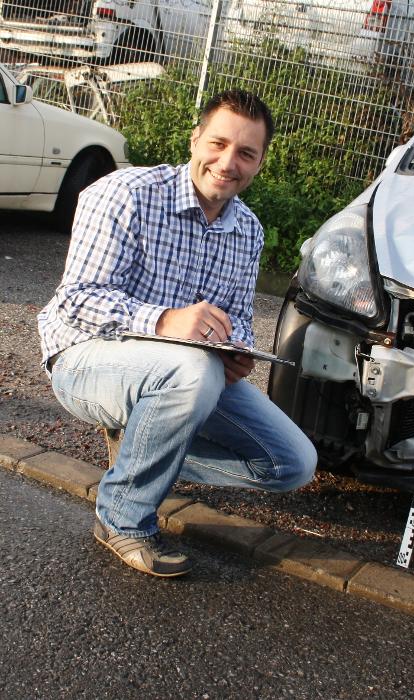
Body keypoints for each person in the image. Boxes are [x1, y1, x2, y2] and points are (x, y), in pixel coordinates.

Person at [37, 89, 317, 578]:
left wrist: (239, 352)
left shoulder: (247, 230)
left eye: (246, 153)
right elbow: (75, 300)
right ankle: (122, 517)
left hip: (186, 376)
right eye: (218, 143)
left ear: (260, 162)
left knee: (293, 463)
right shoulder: (125, 193)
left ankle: (140, 451)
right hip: (84, 359)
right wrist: (166, 321)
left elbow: (238, 318)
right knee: (191, 367)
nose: (228, 162)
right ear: (195, 140)